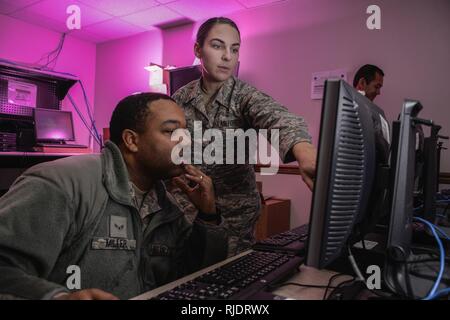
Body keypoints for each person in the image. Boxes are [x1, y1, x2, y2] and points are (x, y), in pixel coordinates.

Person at [0, 93, 227, 300]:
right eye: (170, 131)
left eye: (185, 133)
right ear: (131, 141)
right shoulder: (62, 183)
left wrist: (208, 215)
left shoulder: (166, 206)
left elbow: (196, 280)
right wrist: (59, 297)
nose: (185, 142)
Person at [170, 17, 317, 256]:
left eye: (234, 49)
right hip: (185, 215)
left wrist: (304, 149)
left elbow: (276, 117)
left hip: (233, 220)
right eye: (217, 46)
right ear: (198, 49)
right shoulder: (179, 99)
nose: (227, 56)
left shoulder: (245, 96)